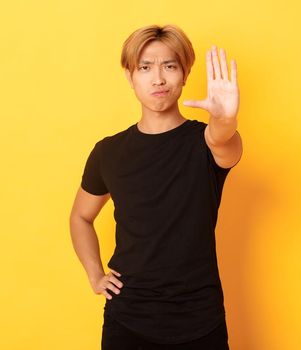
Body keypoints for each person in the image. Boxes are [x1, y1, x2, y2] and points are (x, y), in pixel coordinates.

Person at [69, 24, 242, 349]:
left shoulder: (204, 141)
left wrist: (226, 120)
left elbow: (225, 143)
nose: (158, 79)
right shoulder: (108, 152)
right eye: (145, 67)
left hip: (199, 320)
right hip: (127, 320)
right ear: (130, 76)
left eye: (170, 66)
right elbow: (80, 217)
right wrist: (95, 274)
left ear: (185, 73)